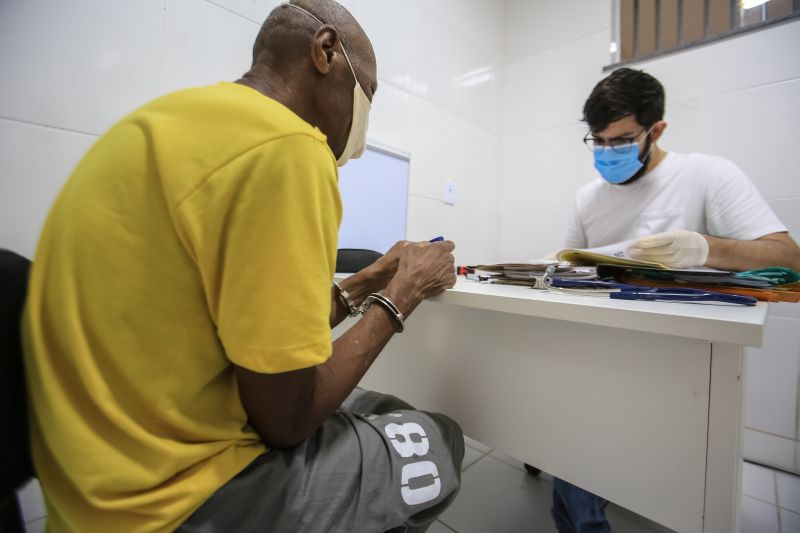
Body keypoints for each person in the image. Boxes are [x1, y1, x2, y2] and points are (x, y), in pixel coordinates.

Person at [22, 1, 464, 532]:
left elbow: (244, 334)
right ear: (325, 52)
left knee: (383, 404)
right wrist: (404, 294)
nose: (361, 126)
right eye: (366, 96)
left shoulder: (160, 123)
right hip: (174, 504)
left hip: (89, 492)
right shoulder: (291, 148)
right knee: (438, 437)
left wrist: (366, 282)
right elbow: (286, 420)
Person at [551, 67, 800, 532]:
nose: (607, 153)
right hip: (602, 347)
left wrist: (706, 248)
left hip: (681, 359)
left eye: (619, 141)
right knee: (577, 431)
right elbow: (566, 262)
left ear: (656, 129)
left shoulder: (707, 175)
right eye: (597, 142)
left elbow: (790, 259)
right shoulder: (588, 197)